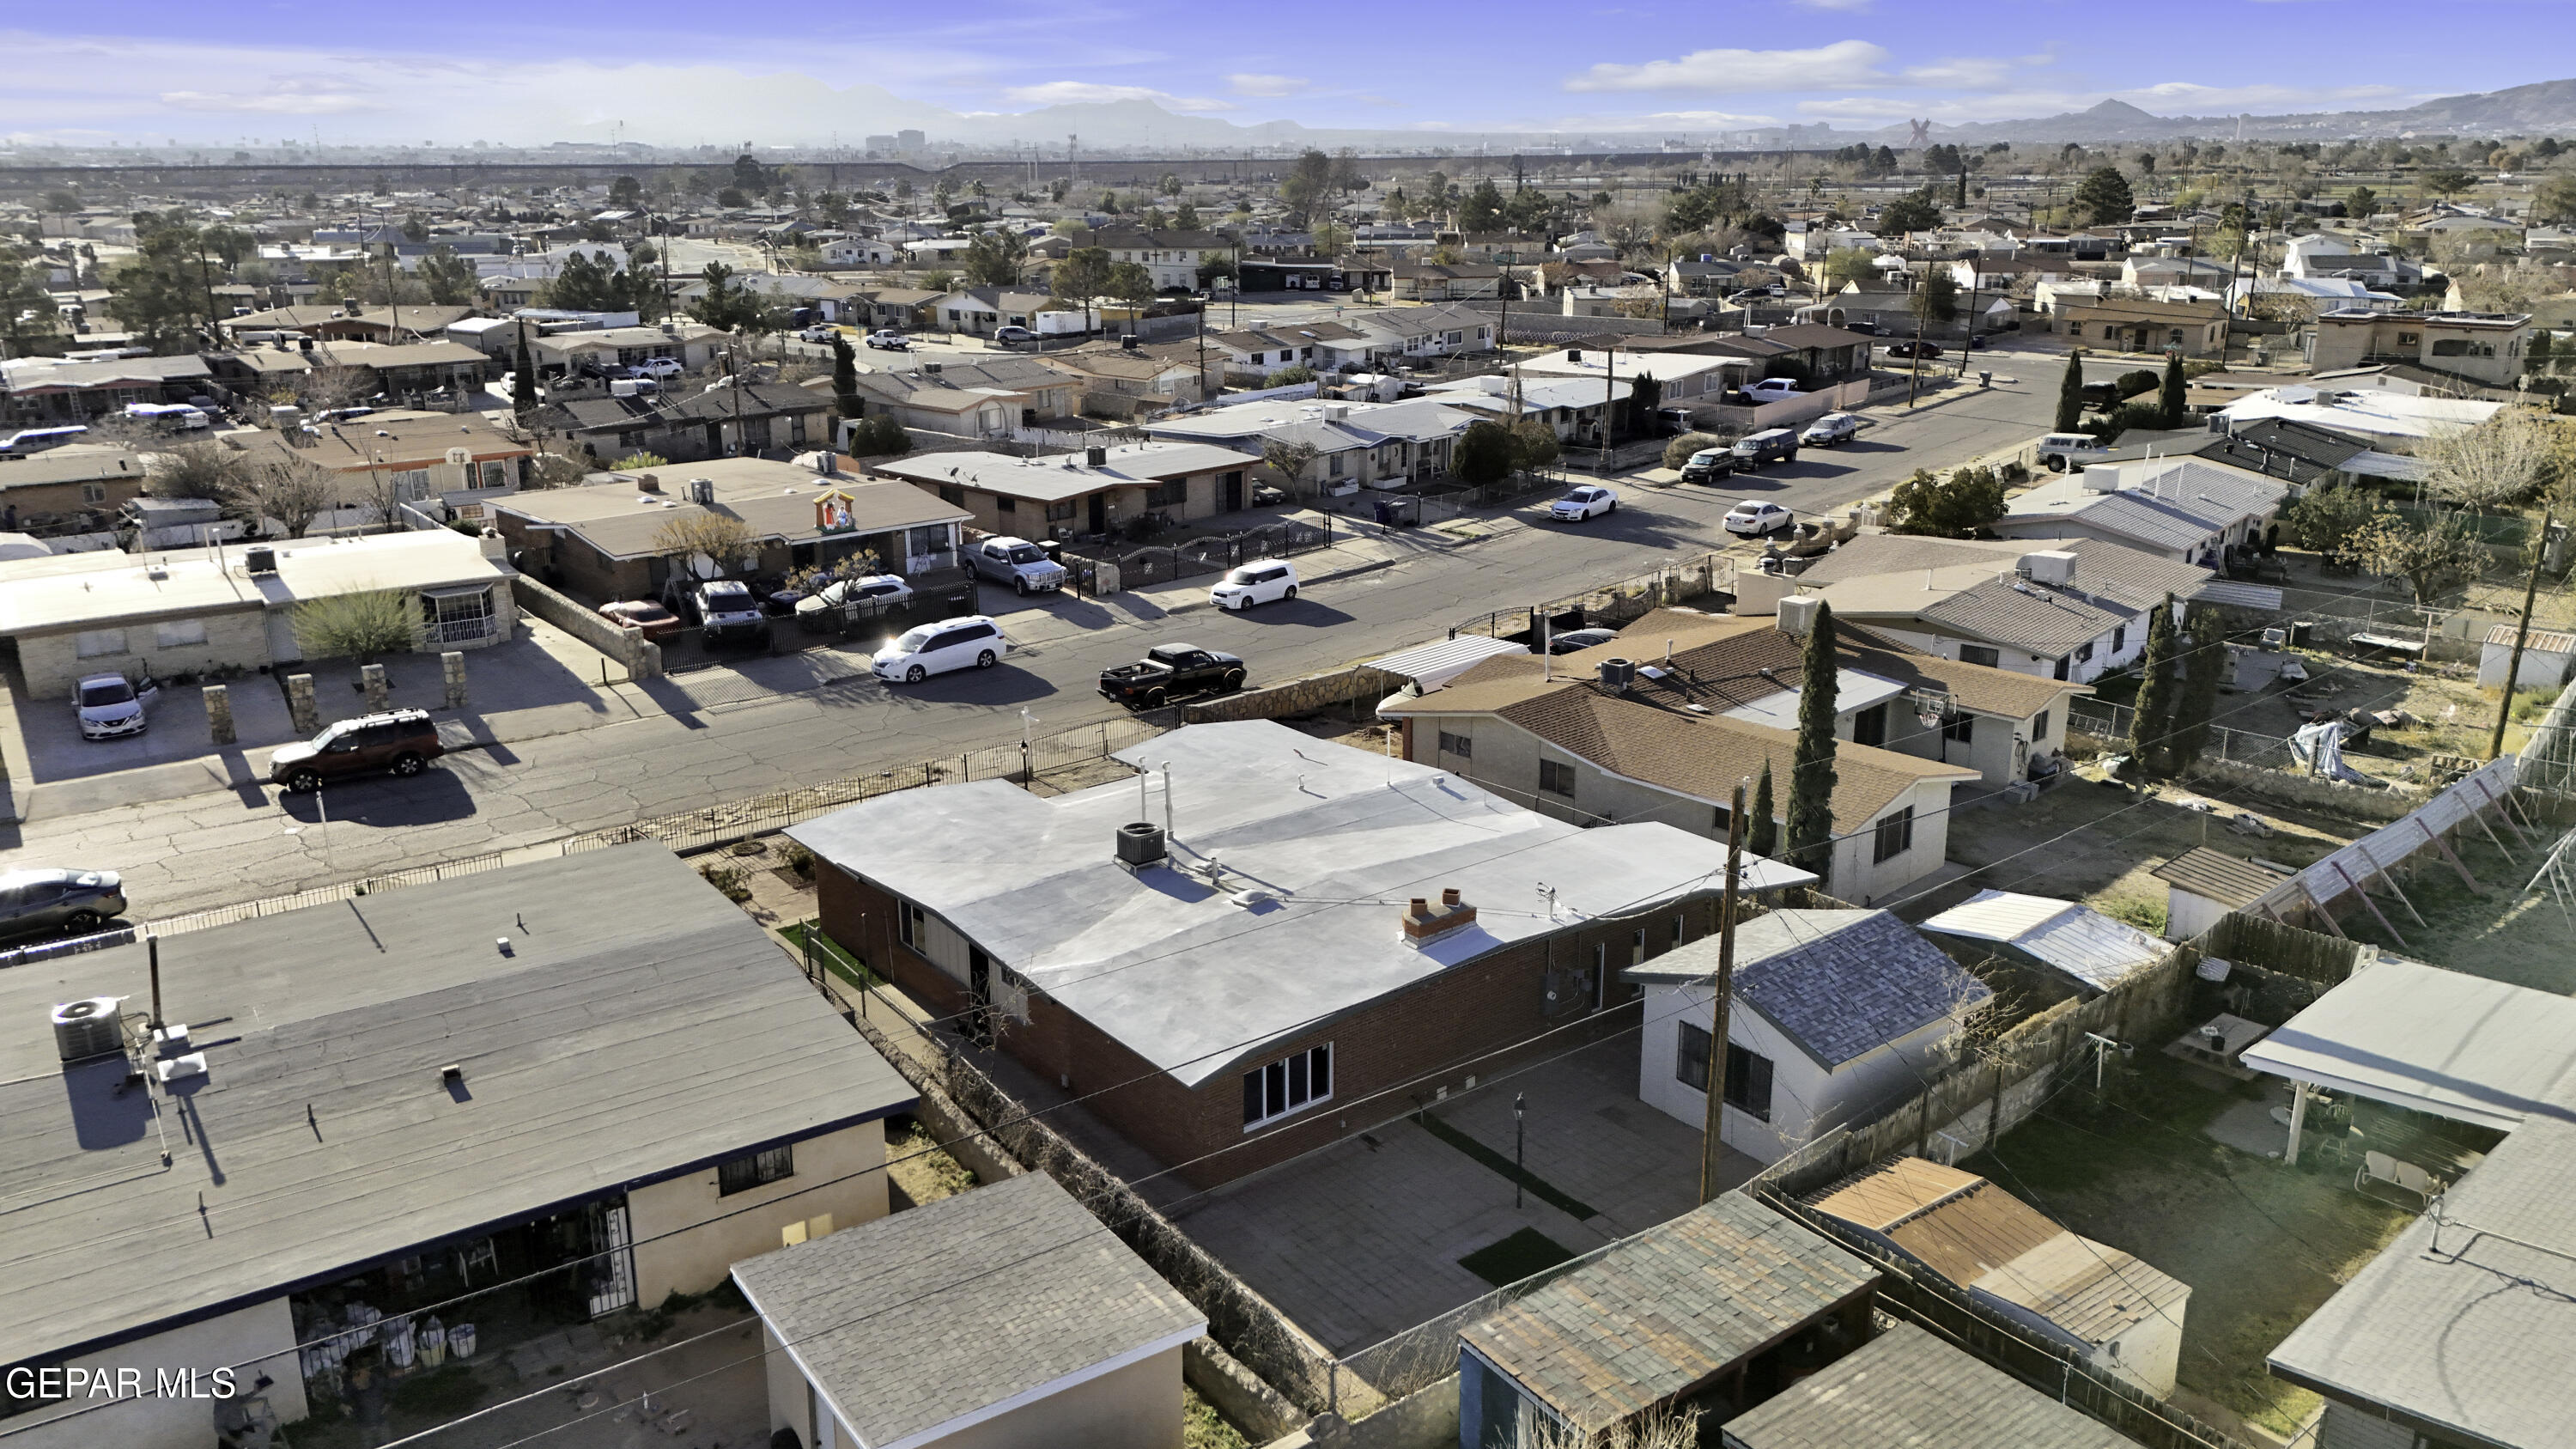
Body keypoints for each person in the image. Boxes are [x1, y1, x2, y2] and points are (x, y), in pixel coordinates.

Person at [345, 1357, 392, 1449]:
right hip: (364, 1425)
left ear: (366, 1372)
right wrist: (344, 1407)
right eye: (354, 1375)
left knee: (387, 1445)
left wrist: (388, 1404)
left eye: (358, 1374)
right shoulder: (352, 1387)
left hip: (381, 1422)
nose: (355, 1380)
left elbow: (390, 1391)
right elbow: (342, 1401)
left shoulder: (377, 1381)